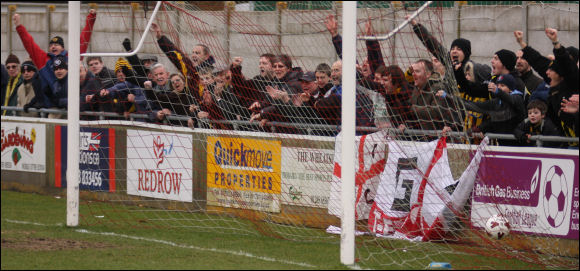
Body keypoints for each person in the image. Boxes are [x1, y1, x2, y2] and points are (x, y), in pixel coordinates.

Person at [406, 14, 491, 132]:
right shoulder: (450, 66)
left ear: (466, 53)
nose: (454, 51)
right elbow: (433, 44)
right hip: (454, 123)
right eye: (453, 48)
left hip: (474, 122)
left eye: (459, 49)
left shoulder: (474, 69)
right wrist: (416, 25)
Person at [13, 10, 97, 69]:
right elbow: (29, 44)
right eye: (51, 45)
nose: (53, 47)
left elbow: (83, 40)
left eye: (56, 45)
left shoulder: (72, 57)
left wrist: (91, 19)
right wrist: (19, 26)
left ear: (63, 48)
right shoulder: (43, 59)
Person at [463, 74, 526, 145]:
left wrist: (498, 91)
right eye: (498, 85)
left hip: (520, 144)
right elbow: (474, 106)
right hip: (503, 145)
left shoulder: (517, 98)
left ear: (511, 88)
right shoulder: (496, 102)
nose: (498, 87)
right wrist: (480, 128)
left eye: (502, 85)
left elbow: (511, 100)